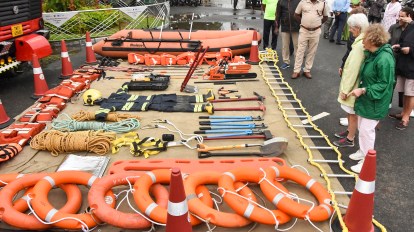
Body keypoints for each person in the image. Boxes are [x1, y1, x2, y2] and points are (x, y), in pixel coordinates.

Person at [347, 24, 395, 173]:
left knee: (367, 130)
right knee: (362, 127)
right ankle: (363, 152)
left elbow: (384, 84)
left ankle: (367, 162)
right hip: (369, 99)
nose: (362, 41)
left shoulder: (384, 59)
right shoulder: (374, 54)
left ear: (373, 40)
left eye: (365, 39)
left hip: (375, 101)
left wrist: (363, 90)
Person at [333, 14, 369, 148]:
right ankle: (349, 131)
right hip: (353, 83)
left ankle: (350, 139)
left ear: (358, 28)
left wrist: (346, 90)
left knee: (352, 112)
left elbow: (354, 69)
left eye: (351, 29)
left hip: (353, 85)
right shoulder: (361, 40)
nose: (350, 31)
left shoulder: (360, 45)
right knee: (349, 111)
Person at [291, 0, 329, 79]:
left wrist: (318, 23)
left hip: (316, 31)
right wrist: (302, 23)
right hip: (304, 31)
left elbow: (325, 17)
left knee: (312, 51)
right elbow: (296, 14)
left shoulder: (323, 4)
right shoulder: (303, 2)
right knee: (300, 50)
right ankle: (296, 71)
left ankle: (307, 70)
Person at [388, 8, 413, 115]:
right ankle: (402, 111)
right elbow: (389, 41)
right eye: (399, 15)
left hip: (409, 65)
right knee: (399, 87)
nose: (399, 18)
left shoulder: (411, 28)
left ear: (409, 16)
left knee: (409, 92)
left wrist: (410, 50)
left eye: (402, 16)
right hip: (396, 61)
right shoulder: (396, 28)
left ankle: (406, 114)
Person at [275, 0, 301, 69]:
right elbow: (277, 15)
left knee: (297, 46)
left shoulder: (298, 1)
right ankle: (286, 62)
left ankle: (298, 63)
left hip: (296, 27)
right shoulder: (281, 1)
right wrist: (276, 27)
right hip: (284, 26)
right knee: (285, 45)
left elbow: (302, 13)